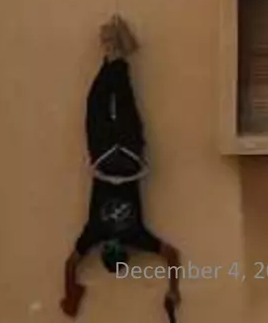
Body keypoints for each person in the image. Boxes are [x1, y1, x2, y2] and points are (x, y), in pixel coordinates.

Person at [61, 17, 181, 322]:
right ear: (108, 252)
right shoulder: (95, 233)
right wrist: (70, 294)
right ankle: (114, 54)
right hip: (108, 157)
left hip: (129, 155)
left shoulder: (136, 236)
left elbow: (170, 254)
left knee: (121, 99)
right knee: (98, 103)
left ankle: (116, 55)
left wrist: (173, 289)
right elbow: (70, 264)